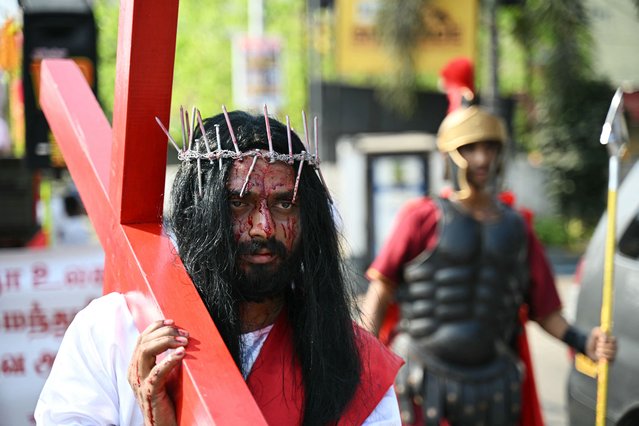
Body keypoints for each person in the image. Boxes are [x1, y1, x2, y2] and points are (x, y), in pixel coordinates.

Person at [35, 109, 403, 425]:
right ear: (198, 212)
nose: (263, 226)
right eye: (239, 203)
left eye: (284, 205)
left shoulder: (355, 364)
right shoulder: (112, 331)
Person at [360, 105, 617, 426]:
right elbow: (382, 286)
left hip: (495, 385)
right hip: (424, 378)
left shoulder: (517, 227)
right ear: (449, 155)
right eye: (469, 148)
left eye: (490, 147)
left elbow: (544, 310)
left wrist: (583, 342)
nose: (482, 159)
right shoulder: (421, 217)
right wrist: (362, 353)